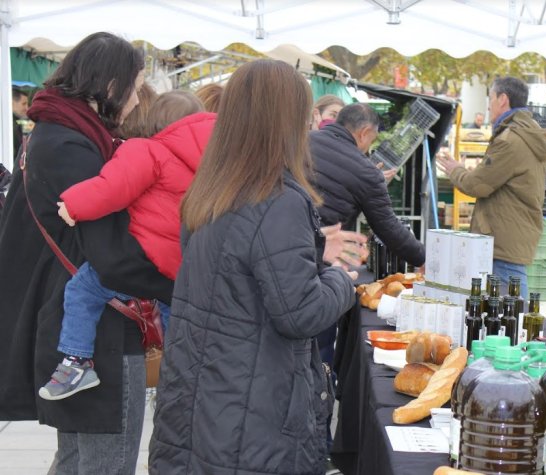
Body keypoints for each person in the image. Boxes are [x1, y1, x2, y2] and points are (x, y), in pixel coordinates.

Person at [148, 59, 357, 474]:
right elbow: (300, 312)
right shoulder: (278, 200)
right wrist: (340, 280)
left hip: (201, 399)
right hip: (250, 415)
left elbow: (240, 274)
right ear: (288, 121)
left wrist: (314, 252)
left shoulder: (210, 190)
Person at [0, 32, 174, 474]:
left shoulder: (58, 133)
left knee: (80, 459)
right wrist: (180, 283)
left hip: (77, 321)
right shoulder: (70, 145)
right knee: (105, 463)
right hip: (98, 330)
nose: (136, 99)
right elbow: (111, 252)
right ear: (110, 85)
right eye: (134, 85)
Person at [38, 90, 213, 401]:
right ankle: (185, 379)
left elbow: (111, 188)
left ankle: (75, 363)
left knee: (83, 289)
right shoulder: (213, 161)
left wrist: (73, 205)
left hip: (144, 253)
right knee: (178, 319)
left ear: (155, 121)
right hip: (185, 260)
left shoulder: (148, 150)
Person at [310, 102, 424, 360]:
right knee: (320, 342)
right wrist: (422, 258)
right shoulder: (363, 170)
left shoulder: (302, 142)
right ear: (363, 133)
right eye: (371, 139)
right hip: (323, 265)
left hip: (285, 251)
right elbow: (388, 227)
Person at [437, 77, 546, 298]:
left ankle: (522, 332)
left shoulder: (511, 140)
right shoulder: (528, 131)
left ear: (503, 99)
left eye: (490, 99)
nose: (488, 106)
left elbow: (478, 185)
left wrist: (455, 170)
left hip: (504, 238)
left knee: (510, 310)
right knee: (511, 308)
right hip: (514, 233)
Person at [12, 86, 28, 163]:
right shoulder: (12, 126)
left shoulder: (18, 122)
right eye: (24, 104)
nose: (27, 108)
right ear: (12, 103)